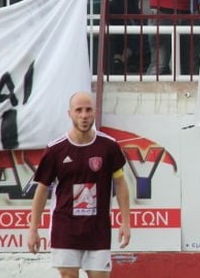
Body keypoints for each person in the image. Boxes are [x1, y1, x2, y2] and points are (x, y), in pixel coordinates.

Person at [26, 92, 130, 277]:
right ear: (70, 113)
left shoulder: (109, 146)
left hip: (97, 229)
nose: (84, 115)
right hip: (65, 228)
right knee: (68, 275)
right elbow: (41, 190)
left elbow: (120, 183)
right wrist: (33, 229)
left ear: (95, 112)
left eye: (88, 110)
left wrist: (125, 222)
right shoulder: (55, 150)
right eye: (79, 110)